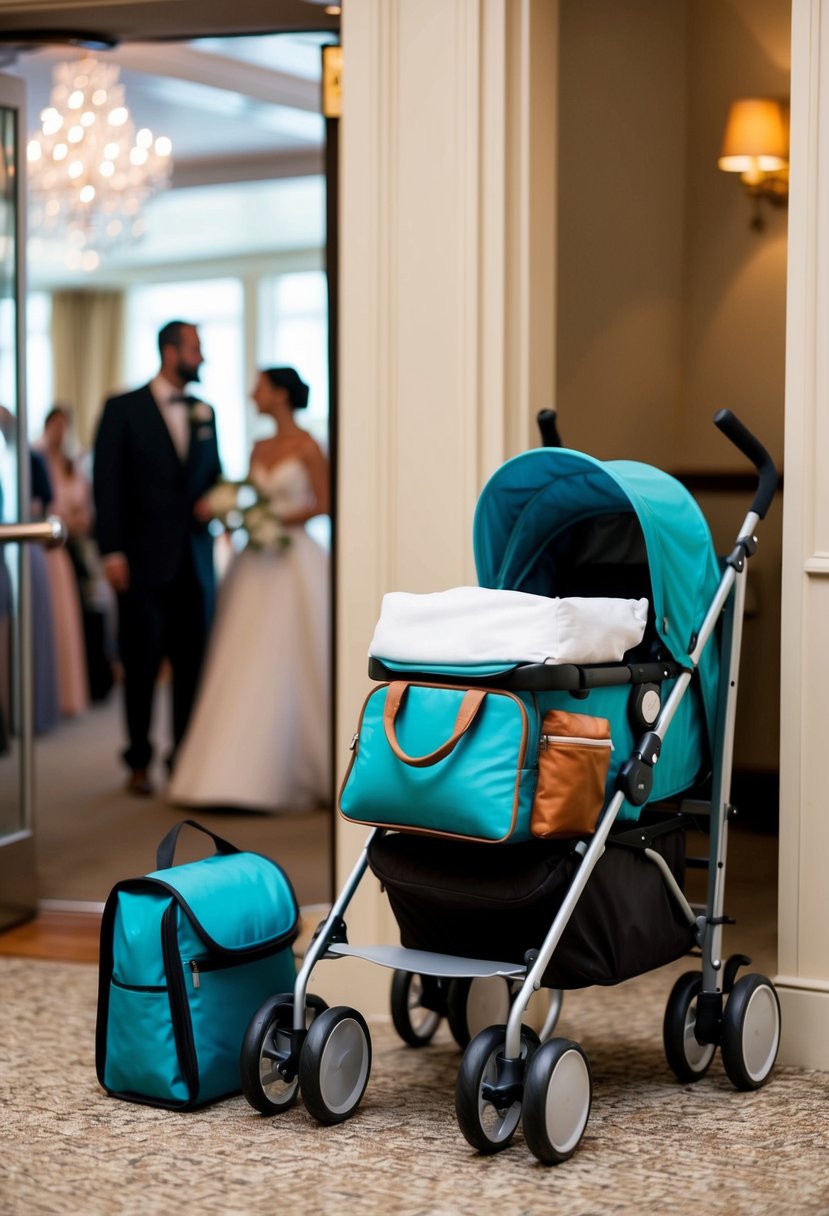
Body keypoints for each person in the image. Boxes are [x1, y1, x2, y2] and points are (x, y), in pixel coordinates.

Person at [168, 366, 330, 812]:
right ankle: (225, 768)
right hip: (256, 556)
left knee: (289, 653)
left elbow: (325, 501)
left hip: (292, 554)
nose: (251, 394)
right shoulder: (259, 445)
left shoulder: (309, 446)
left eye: (258, 386)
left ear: (279, 394)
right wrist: (242, 516)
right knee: (241, 653)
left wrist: (275, 520)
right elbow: (247, 494)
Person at [93, 320, 222, 796]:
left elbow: (214, 475)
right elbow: (106, 484)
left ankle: (182, 754)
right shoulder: (122, 408)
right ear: (171, 352)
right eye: (195, 349)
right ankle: (139, 760)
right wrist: (111, 551)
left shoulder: (204, 411)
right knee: (141, 662)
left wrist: (216, 500)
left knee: (191, 664)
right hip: (142, 561)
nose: (202, 358)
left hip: (195, 559)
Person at [36, 407, 90, 717]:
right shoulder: (36, 458)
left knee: (66, 619)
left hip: (64, 550)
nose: (60, 431)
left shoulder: (73, 465)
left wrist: (77, 520)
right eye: (55, 425)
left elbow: (84, 509)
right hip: (42, 547)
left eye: (64, 426)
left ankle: (68, 694)